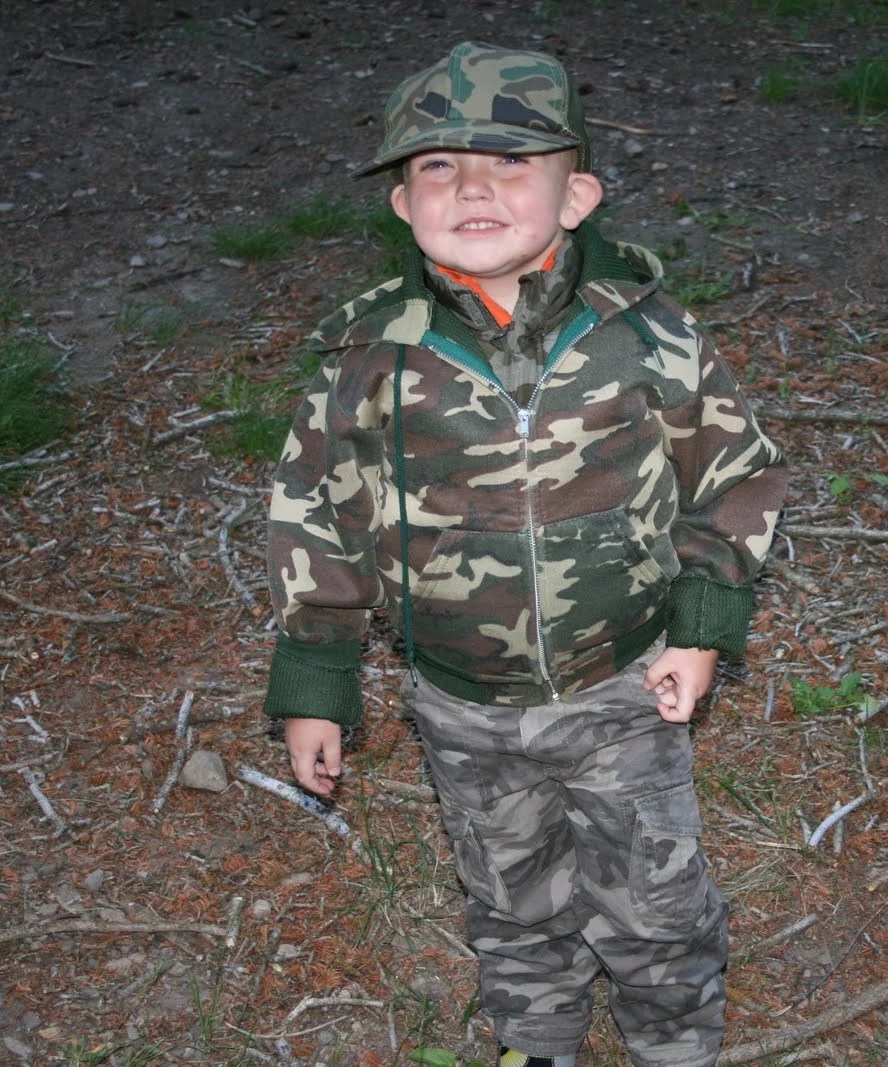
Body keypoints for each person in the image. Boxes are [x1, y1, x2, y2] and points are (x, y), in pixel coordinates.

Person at [263, 41, 787, 1067]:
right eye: (438, 166)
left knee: (653, 894)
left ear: (577, 195)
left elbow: (736, 476)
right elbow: (315, 518)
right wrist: (316, 684)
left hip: (624, 683)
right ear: (401, 204)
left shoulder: (645, 333)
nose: (473, 188)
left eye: (511, 162)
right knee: (510, 892)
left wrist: (701, 629)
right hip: (461, 701)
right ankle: (538, 1038)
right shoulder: (369, 359)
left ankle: (676, 1042)